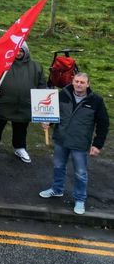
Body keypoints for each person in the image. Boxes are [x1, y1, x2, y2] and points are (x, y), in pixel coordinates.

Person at [39, 73, 108, 215]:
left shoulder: (96, 101)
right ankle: (57, 189)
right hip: (61, 139)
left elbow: (103, 123)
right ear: (72, 81)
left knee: (80, 173)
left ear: (88, 84)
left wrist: (97, 144)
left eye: (82, 82)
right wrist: (48, 122)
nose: (79, 84)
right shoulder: (62, 95)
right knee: (58, 166)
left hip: (80, 143)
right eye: (76, 81)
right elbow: (54, 113)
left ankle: (80, 199)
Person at [0, 43, 46, 163]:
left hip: (24, 106)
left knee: (21, 129)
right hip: (2, 104)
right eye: (16, 51)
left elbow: (42, 86)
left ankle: (20, 147)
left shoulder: (36, 66)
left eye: (21, 51)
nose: (18, 53)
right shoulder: (2, 64)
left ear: (26, 51)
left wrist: (45, 113)